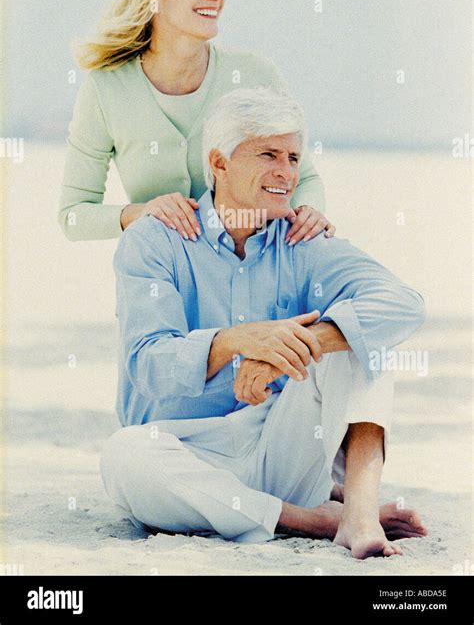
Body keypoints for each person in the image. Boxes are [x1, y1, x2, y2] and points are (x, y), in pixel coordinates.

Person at [100, 87, 428, 559]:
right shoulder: (155, 241)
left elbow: (404, 304)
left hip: (281, 446)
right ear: (219, 162)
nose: (286, 173)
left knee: (360, 337)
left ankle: (358, 513)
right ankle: (316, 521)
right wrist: (236, 342)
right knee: (123, 456)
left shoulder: (302, 240)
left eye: (293, 157)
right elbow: (147, 363)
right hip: (186, 455)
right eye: (268, 154)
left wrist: (293, 349)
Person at [58, 0, 333, 245]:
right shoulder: (106, 88)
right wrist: (144, 212)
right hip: (162, 274)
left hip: (256, 269)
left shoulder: (255, 74)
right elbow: (73, 216)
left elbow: (305, 178)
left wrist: (308, 212)